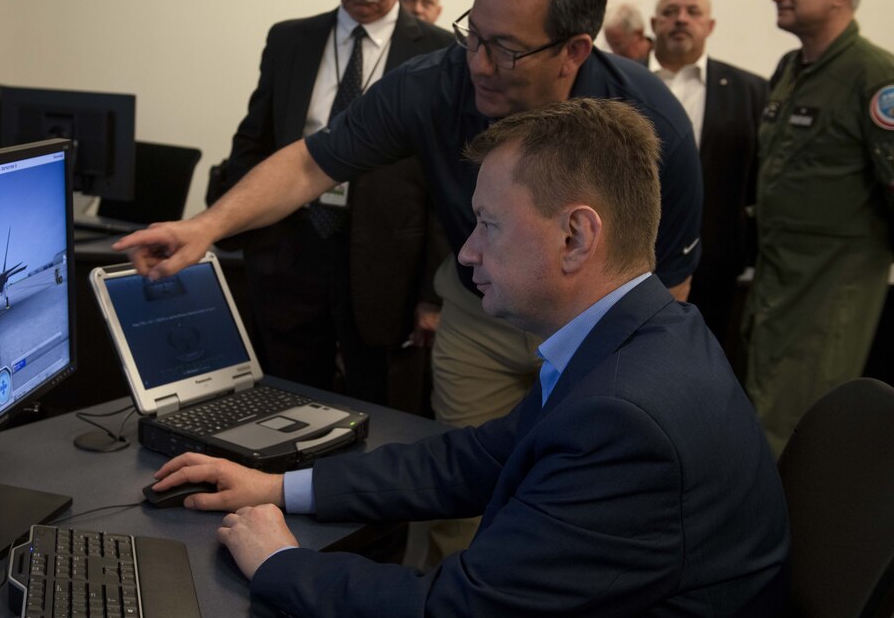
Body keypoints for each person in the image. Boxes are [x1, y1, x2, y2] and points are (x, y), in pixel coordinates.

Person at [116, 0, 702, 557]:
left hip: (598, 331)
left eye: (504, 49)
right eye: (472, 33)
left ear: (574, 50)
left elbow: (663, 290)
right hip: (483, 315)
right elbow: (312, 164)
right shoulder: (432, 83)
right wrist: (205, 227)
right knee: (462, 509)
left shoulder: (651, 126)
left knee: (577, 500)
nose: (478, 62)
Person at [148, 99, 790, 617]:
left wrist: (280, 564)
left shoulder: (625, 417)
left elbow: (460, 609)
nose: (468, 253)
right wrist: (281, 487)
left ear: (576, 236)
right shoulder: (644, 333)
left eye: (489, 224)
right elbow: (484, 456)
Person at [207, 0, 451, 405]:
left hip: (387, 268)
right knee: (284, 404)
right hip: (289, 255)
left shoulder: (440, 54)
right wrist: (252, 238)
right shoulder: (290, 40)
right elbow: (252, 142)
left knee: (377, 410)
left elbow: (444, 182)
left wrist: (433, 293)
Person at [745, 0, 894, 455]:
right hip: (773, 288)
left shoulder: (876, 75)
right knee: (760, 418)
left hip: (832, 294)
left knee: (800, 436)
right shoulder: (791, 70)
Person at [649, 0, 767, 358]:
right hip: (628, 259)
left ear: (710, 25)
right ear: (654, 22)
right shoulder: (621, 82)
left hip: (715, 264)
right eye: (670, 11)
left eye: (692, 11)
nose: (680, 19)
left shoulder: (751, 91)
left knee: (706, 361)